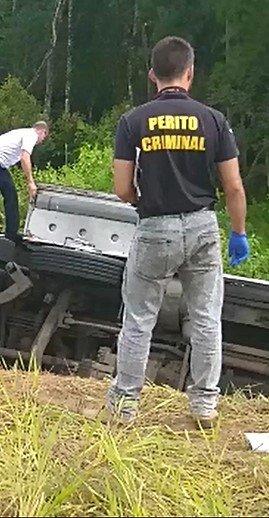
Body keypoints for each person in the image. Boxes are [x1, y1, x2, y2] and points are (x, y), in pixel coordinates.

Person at [105, 36, 248, 429]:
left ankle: (124, 408)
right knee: (205, 319)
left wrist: (140, 200)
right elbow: (233, 186)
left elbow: (121, 189)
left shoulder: (133, 121)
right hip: (202, 226)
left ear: (153, 76)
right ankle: (203, 407)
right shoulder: (214, 120)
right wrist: (238, 232)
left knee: (138, 319)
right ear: (190, 73)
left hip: (155, 228)